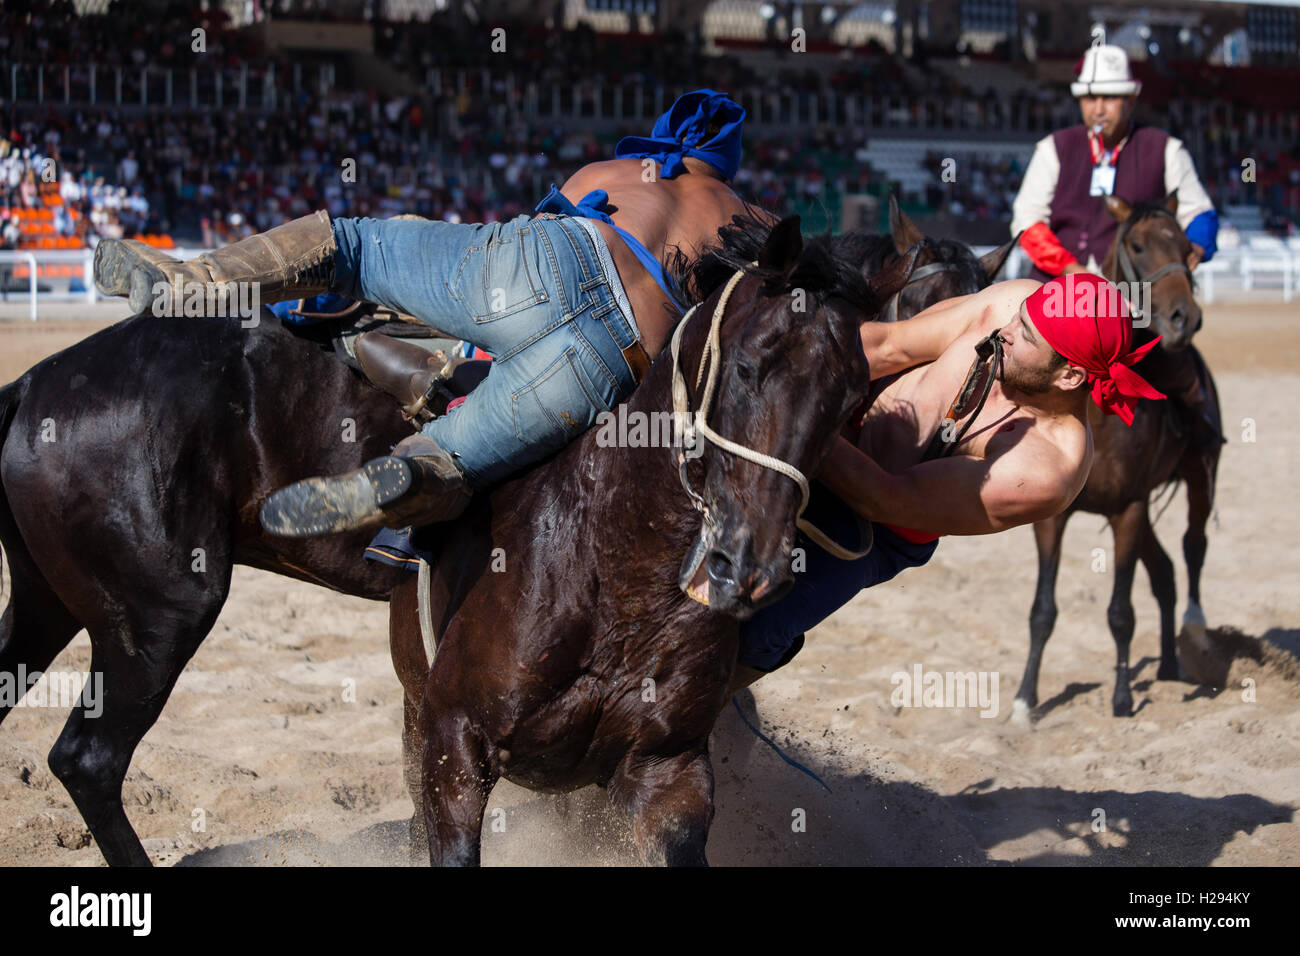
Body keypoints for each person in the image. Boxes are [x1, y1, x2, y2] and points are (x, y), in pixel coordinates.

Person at [92, 89, 760, 535]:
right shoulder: (752, 221)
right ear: (726, 167)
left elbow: (535, 227)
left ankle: (188, 280)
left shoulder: (615, 173)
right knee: (453, 460)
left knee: (351, 247)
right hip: (617, 357)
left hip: (550, 263)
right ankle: (404, 472)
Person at [729, 272, 1167, 691]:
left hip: (872, 529)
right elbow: (888, 345)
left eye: (1027, 335)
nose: (1008, 329)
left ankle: (706, 716)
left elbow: (887, 497)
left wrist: (789, 417)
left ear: (1069, 376)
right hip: (843, 419)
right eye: (1022, 316)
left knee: (761, 627)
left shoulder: (1049, 469)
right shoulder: (1012, 307)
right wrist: (793, 375)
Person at [1009, 36, 1222, 481]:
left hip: (1132, 298)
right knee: (1005, 357)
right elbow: (1027, 221)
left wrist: (1195, 250)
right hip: (1057, 292)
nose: (1098, 107)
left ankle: (1198, 434)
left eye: (1109, 96)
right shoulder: (1053, 148)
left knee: (1178, 362)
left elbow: (1200, 211)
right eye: (1089, 97)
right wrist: (1071, 269)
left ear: (1133, 98)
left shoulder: (1166, 149)